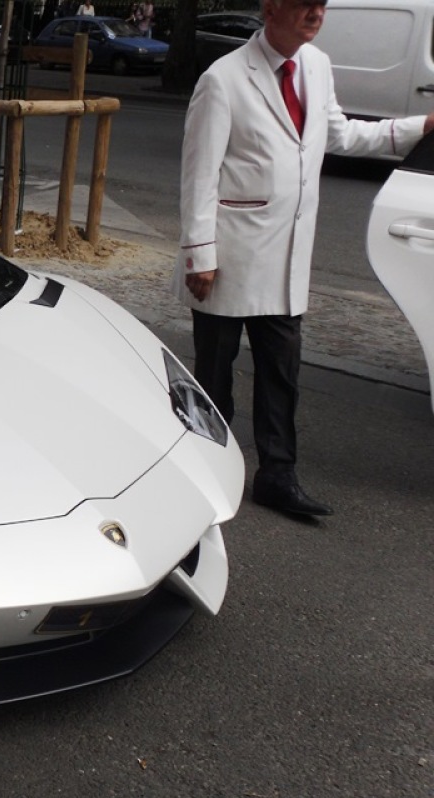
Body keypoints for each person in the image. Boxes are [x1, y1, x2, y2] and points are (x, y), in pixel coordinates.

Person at [174, 0, 434, 518]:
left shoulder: (316, 65)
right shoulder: (222, 80)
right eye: (304, 6)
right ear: (272, 9)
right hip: (229, 256)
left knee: (281, 373)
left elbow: (338, 134)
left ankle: (278, 476)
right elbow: (199, 175)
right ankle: (206, 471)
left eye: (320, 5)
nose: (316, 14)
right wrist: (199, 255)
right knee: (216, 375)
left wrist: (418, 126)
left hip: (286, 258)